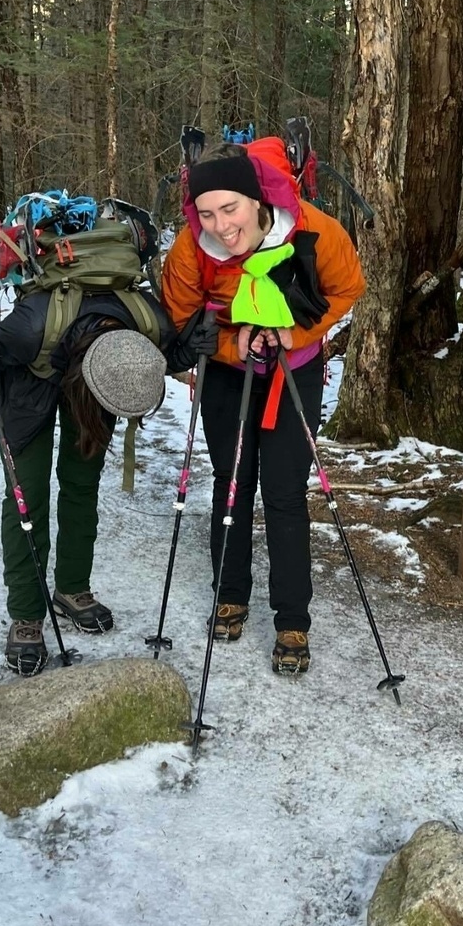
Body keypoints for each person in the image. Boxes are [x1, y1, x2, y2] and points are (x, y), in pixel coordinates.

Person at [161, 139, 365, 674]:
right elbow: (181, 321)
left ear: (256, 200)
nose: (221, 225)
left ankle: (292, 620)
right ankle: (230, 593)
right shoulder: (190, 248)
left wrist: (293, 333)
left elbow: (348, 287)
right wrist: (234, 341)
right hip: (228, 376)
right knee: (231, 481)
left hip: (294, 374)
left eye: (230, 209)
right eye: (206, 213)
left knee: (284, 492)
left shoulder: (315, 229)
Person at [0, 286, 215, 676]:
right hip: (30, 380)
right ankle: (26, 613)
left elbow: (167, 356)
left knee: (82, 484)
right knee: (29, 492)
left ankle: (71, 588)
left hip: (100, 379)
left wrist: (191, 346)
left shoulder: (150, 323)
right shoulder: (32, 325)